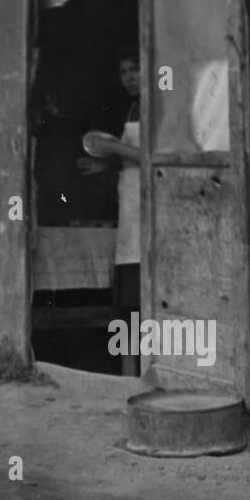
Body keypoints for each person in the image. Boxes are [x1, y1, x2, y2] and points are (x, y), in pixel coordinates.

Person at [78, 48, 141, 369]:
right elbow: (131, 158)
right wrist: (105, 165)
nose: (129, 77)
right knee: (129, 303)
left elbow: (153, 157)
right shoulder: (131, 108)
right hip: (130, 209)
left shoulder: (161, 109)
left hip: (150, 210)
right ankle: (129, 372)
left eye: (135, 69)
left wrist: (112, 146)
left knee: (149, 297)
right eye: (124, 71)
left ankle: (153, 369)